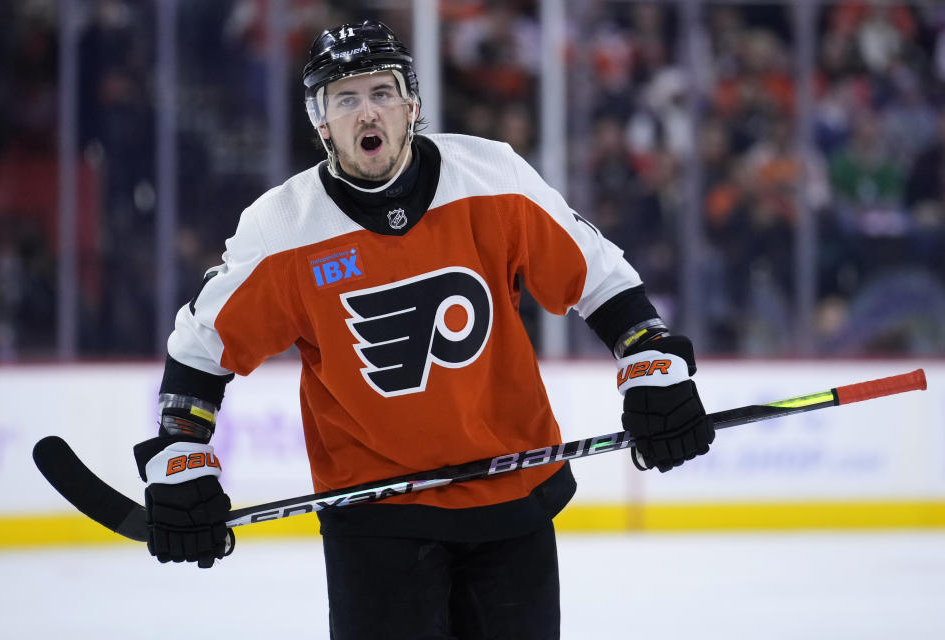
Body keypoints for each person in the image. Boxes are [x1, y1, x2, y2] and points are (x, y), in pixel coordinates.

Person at [132, 20, 715, 640]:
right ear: (320, 122)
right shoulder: (283, 228)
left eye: (381, 92)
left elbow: (599, 278)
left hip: (510, 501)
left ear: (412, 103)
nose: (367, 112)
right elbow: (201, 350)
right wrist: (182, 453)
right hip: (376, 522)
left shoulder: (492, 176)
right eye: (345, 98)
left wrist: (649, 363)